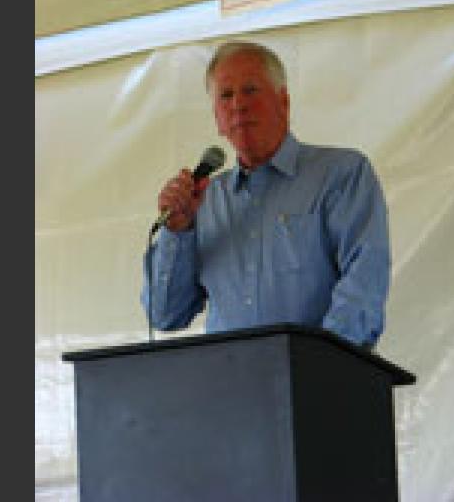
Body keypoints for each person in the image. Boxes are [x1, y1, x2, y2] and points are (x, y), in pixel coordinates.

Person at [140, 41, 391, 347]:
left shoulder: (341, 174)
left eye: (250, 90)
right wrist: (178, 232)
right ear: (217, 119)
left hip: (319, 382)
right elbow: (165, 314)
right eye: (226, 96)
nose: (238, 105)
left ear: (283, 102)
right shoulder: (203, 201)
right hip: (230, 387)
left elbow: (364, 283)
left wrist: (319, 364)